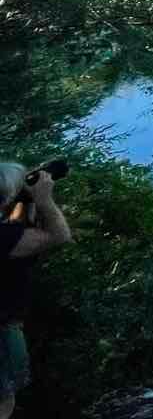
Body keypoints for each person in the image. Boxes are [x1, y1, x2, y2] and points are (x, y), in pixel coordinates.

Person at [0, 164, 71, 419]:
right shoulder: (5, 237)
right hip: (2, 332)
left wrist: (23, 201)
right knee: (3, 400)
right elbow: (58, 235)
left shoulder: (8, 233)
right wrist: (43, 199)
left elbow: (17, 228)